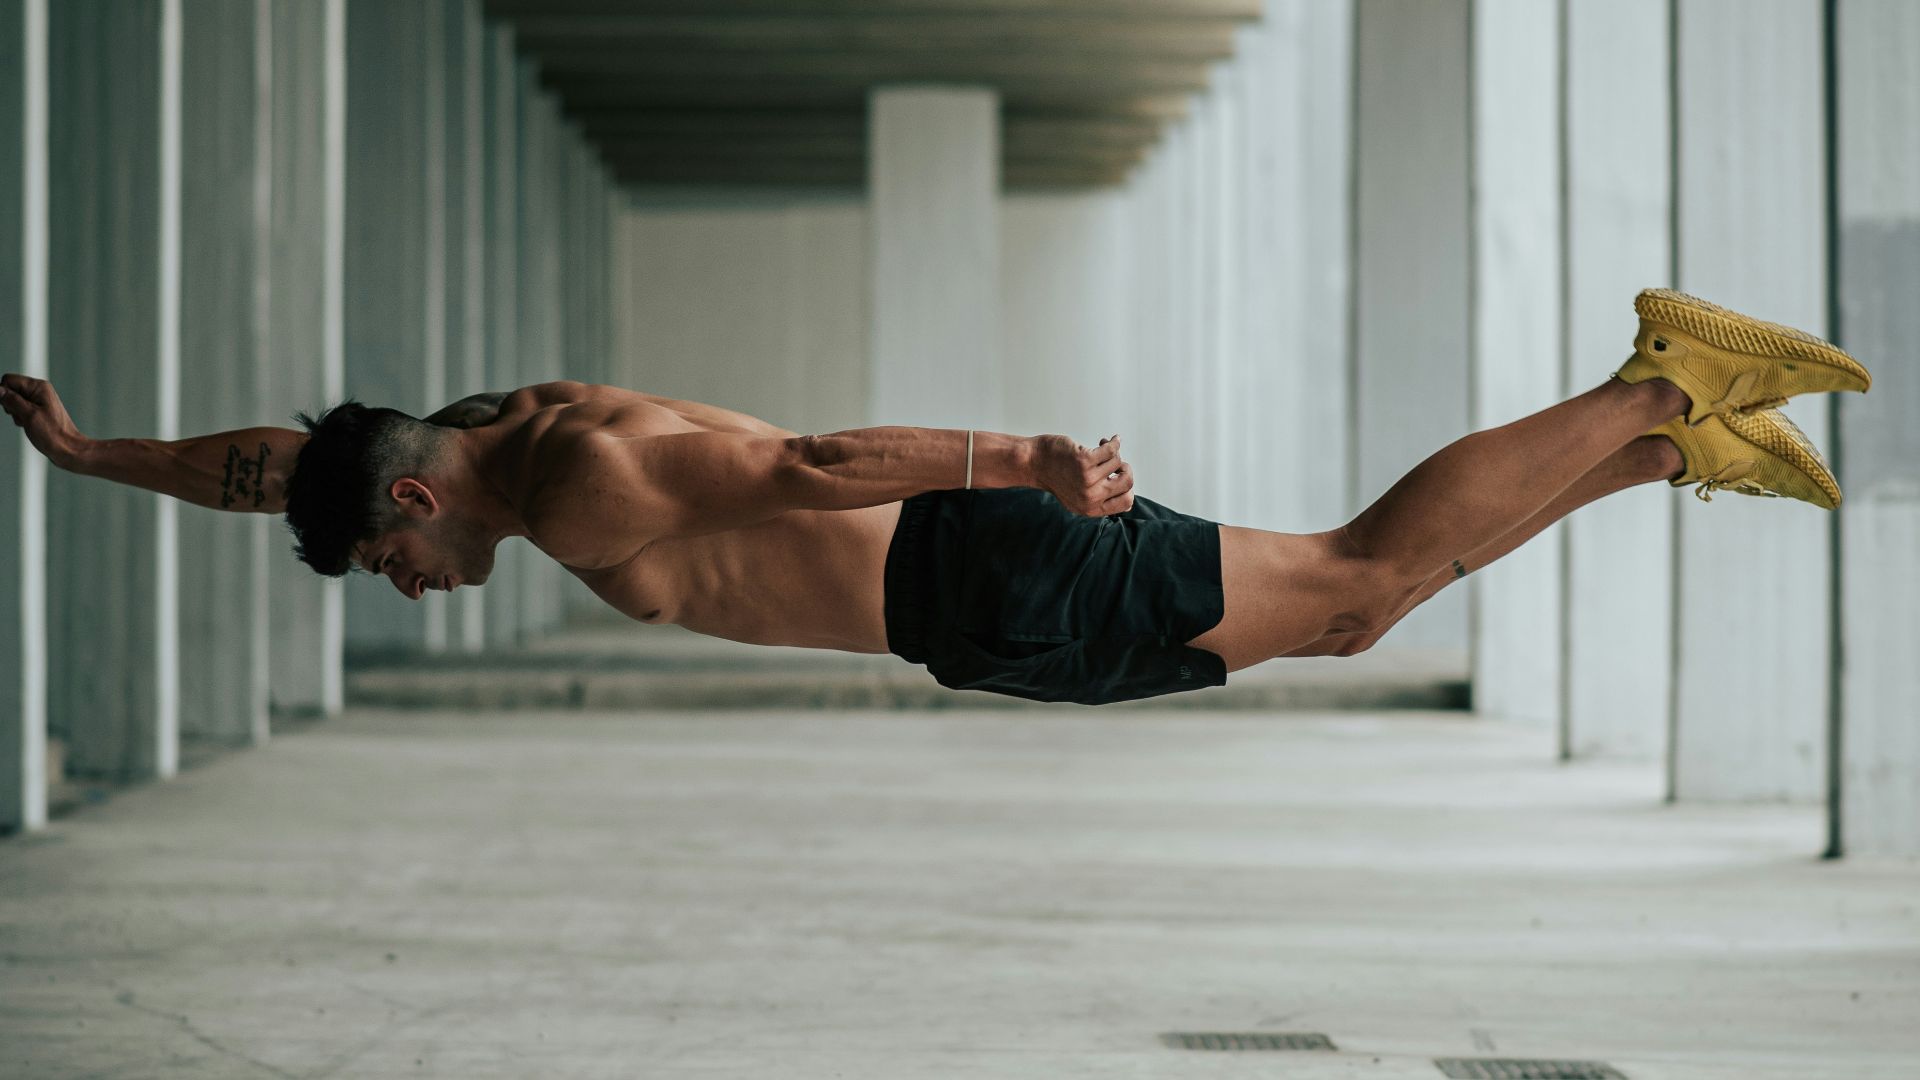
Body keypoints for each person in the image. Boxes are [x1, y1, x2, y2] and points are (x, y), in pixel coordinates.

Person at [0, 289, 1871, 706]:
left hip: (980, 565)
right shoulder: (487, 430)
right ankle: (1658, 450)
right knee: (1362, 603)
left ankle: (1657, 383)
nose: (396, 582)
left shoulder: (572, 485)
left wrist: (1022, 457)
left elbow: (807, 467)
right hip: (975, 600)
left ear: (422, 497)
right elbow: (294, 468)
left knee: (1360, 577)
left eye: (379, 559)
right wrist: (101, 459)